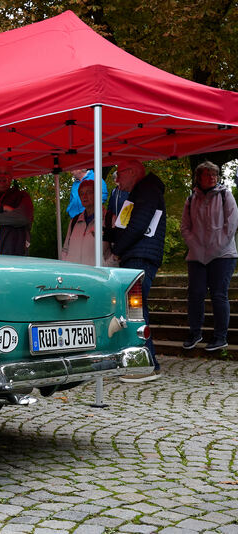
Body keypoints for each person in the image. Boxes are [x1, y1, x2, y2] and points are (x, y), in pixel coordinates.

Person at [105, 159, 166, 383]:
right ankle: (145, 361)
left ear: (132, 172)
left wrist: (117, 249)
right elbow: (125, 226)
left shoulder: (146, 190)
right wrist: (107, 234)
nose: (117, 179)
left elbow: (138, 226)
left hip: (140, 256)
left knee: (135, 310)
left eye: (119, 173)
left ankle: (145, 365)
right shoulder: (139, 192)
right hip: (137, 255)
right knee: (135, 309)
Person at [180, 161, 238, 352]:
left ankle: (220, 337)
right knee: (195, 294)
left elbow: (231, 225)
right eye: (208, 174)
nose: (212, 177)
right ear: (199, 177)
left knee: (219, 294)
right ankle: (195, 333)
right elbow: (185, 227)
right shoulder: (191, 199)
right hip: (197, 255)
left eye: (214, 174)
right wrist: (194, 244)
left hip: (223, 255)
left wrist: (216, 247)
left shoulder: (225, 195)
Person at [61, 180, 115, 266]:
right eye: (81, 193)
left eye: (89, 192)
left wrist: (105, 266)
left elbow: (117, 251)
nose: (84, 196)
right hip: (73, 273)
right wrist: (66, 267)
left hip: (97, 273)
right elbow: (65, 249)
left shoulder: (110, 219)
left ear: (97, 194)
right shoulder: (74, 221)